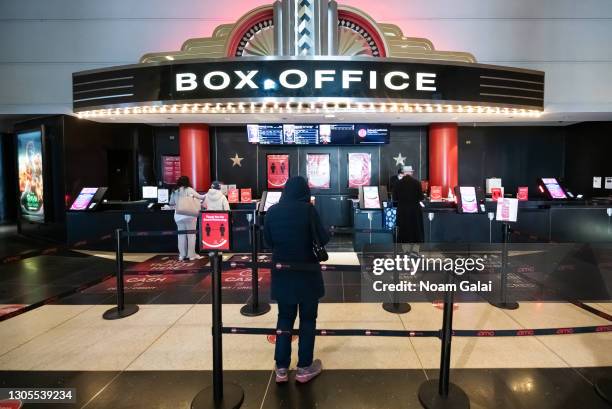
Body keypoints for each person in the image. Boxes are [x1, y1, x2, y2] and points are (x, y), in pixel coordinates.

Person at [263, 176, 329, 384]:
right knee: (308, 320)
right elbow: (323, 238)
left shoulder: (272, 211)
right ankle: (304, 368)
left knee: (284, 318)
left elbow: (267, 242)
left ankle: (281, 368)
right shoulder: (308, 210)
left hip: (283, 274)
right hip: (307, 274)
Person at [169, 176, 205, 261]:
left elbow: (171, 203)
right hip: (190, 215)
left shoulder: (175, 191)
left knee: (181, 235)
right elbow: (201, 197)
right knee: (191, 235)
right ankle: (191, 255)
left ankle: (182, 255)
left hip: (178, 216)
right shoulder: (189, 189)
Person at [392, 166, 425, 243]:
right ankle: (414, 250)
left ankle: (403, 250)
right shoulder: (417, 183)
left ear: (403, 172)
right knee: (415, 229)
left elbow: (395, 198)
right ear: (411, 173)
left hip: (402, 210)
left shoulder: (397, 183)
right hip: (415, 210)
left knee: (403, 229)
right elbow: (421, 197)